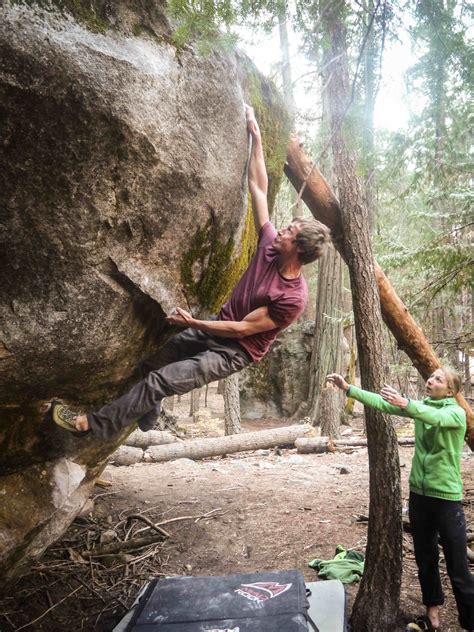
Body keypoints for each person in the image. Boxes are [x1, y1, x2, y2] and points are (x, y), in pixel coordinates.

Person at [48, 105, 331, 439]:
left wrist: (193, 322)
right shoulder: (270, 245)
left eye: (289, 232)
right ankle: (148, 415)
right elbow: (259, 188)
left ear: (298, 249)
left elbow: (241, 330)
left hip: (232, 351)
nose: (281, 230)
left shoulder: (292, 298)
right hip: (214, 330)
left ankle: (88, 425)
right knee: (149, 367)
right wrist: (255, 135)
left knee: (159, 381)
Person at [327, 368, 474, 632]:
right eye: (431, 376)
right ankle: (432, 614)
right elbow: (384, 403)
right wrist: (349, 388)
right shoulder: (420, 406)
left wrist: (406, 403)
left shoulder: (455, 412)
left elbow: (434, 417)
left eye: (438, 379)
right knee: (425, 558)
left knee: (458, 566)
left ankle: (471, 620)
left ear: (451, 391)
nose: (431, 380)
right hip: (419, 496)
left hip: (447, 500)